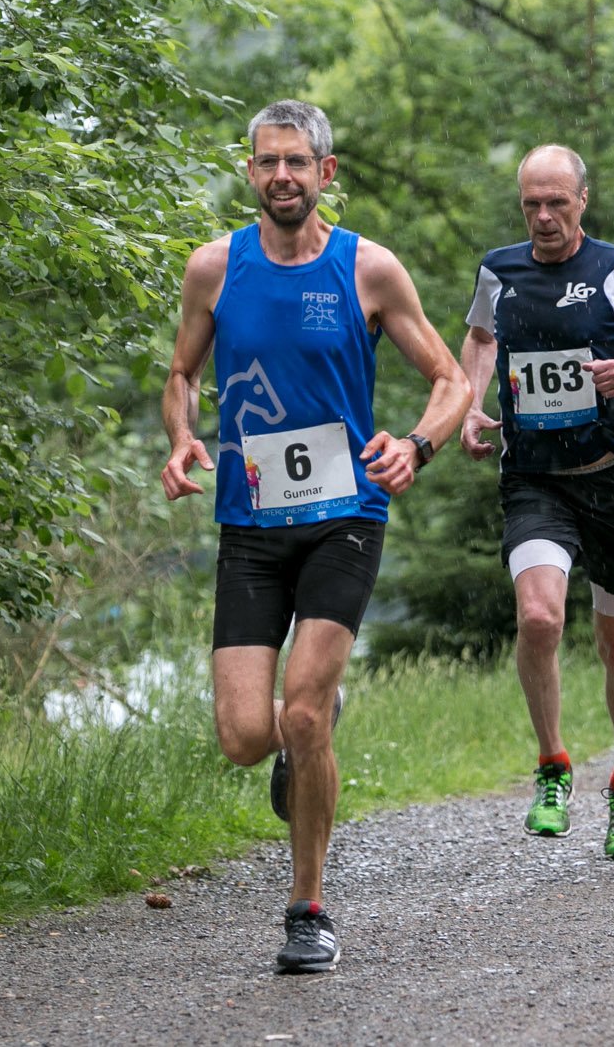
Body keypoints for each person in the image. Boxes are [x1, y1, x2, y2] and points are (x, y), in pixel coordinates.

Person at [160, 100, 469, 972]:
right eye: (268, 161)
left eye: (298, 161)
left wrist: (417, 445)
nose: (282, 175)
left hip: (345, 516)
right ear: (250, 171)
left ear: (325, 171)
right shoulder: (214, 267)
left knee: (298, 711)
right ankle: (313, 723)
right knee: (243, 736)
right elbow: (182, 372)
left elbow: (449, 378)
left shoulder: (368, 268)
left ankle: (308, 908)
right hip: (250, 522)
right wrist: (180, 436)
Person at [458, 145, 614, 859]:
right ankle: (553, 765)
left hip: (612, 473)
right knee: (538, 616)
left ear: (582, 200)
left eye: (557, 202)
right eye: (532, 203)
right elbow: (479, 339)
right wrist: (469, 404)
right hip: (535, 478)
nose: (544, 216)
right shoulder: (500, 270)